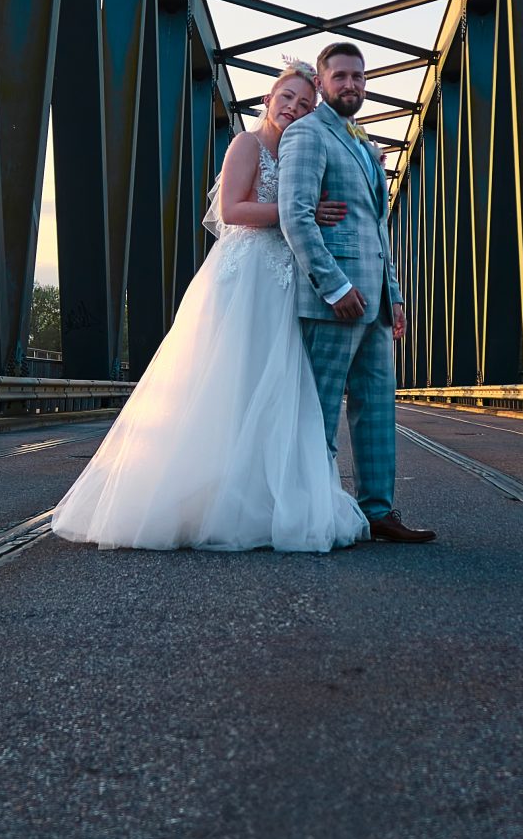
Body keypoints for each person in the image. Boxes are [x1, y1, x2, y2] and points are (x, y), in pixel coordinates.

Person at [51, 64, 371, 553]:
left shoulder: (301, 150)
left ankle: (262, 497)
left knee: (277, 385)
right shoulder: (247, 144)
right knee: (227, 380)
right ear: (268, 98)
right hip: (244, 279)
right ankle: (209, 497)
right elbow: (232, 211)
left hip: (284, 283)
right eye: (286, 97)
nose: (293, 108)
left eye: (305, 105)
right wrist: (297, 213)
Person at [276, 42, 436, 545]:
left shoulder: (366, 147)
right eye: (340, 76)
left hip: (377, 304)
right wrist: (335, 286)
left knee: (377, 407)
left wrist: (396, 296)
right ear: (321, 84)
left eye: (358, 78)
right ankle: (310, 513)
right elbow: (295, 215)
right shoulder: (306, 134)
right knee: (319, 414)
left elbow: (377, 230)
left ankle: (378, 511)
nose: (351, 85)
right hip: (333, 301)